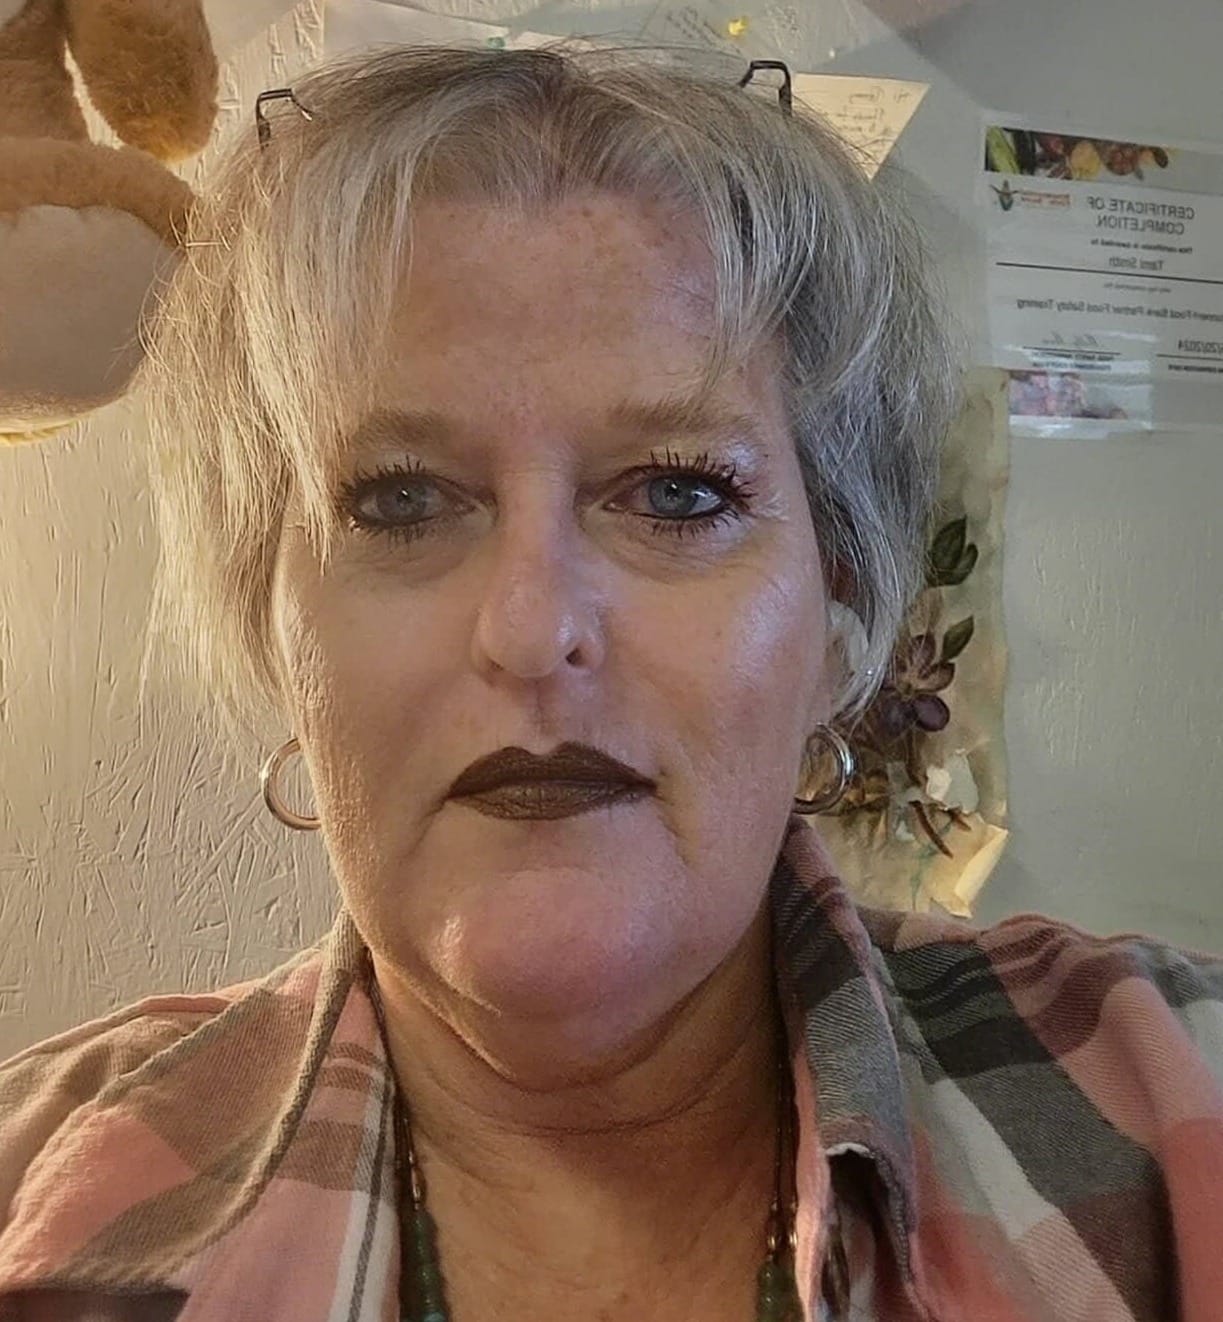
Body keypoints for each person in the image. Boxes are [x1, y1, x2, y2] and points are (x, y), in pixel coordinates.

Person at [1, 42, 1221, 1322]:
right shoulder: (39, 1191)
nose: (532, 630)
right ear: (272, 623)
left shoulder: (1175, 1096)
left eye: (679, 493)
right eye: (400, 500)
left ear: (840, 616)